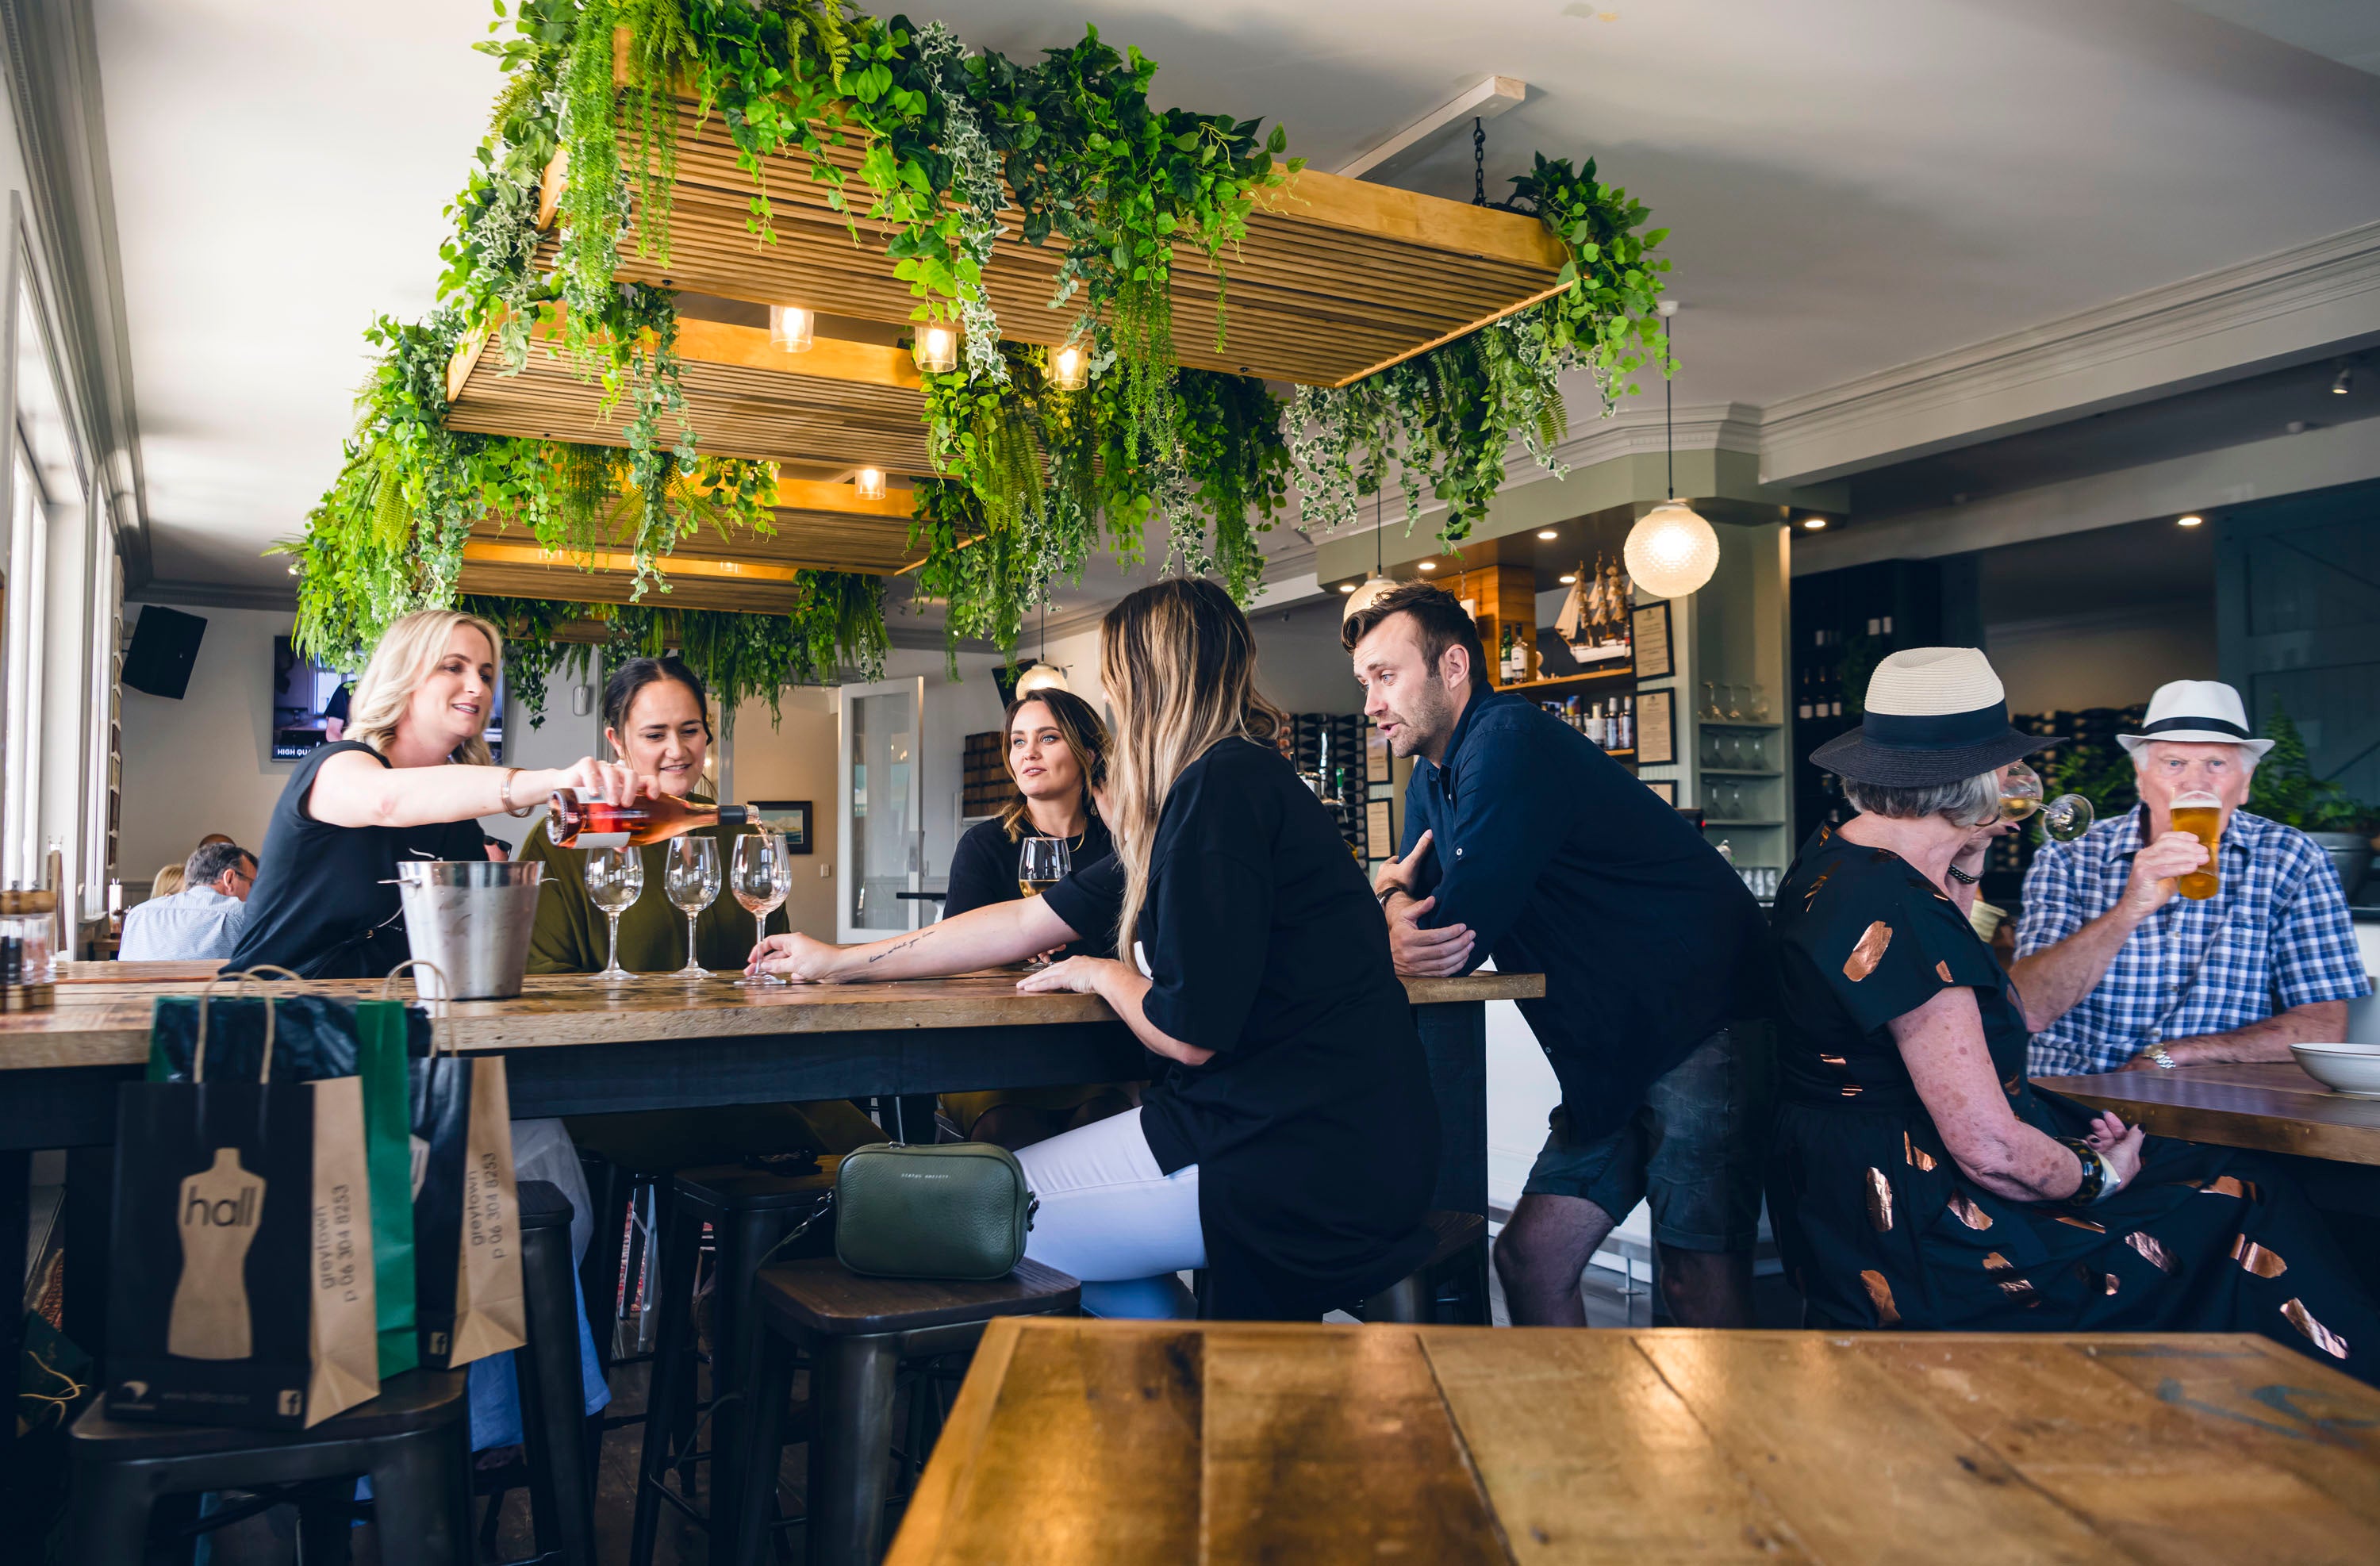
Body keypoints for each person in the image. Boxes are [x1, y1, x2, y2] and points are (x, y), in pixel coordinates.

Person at [754, 579, 1442, 1321]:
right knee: (1024, 1226)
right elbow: (1017, 925)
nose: (1114, 703)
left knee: (970, 1212)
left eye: (1118, 682)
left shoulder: (1219, 794)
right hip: (1326, 1130)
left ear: (1151, 684)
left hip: (1287, 1146)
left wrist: (1103, 971)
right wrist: (837, 960)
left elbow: (1189, 1034)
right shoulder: (1218, 788)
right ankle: (1183, 1393)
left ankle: (1186, 1400)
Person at [1768, 647, 2378, 1381]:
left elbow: (1953, 977)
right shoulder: (1902, 909)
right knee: (2246, 1196)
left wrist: (1966, 851)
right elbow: (1991, 1148)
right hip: (1941, 1238)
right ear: (1984, 781)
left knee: (2221, 1180)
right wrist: (2097, 1176)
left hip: (1848, 1212)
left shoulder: (1834, 866)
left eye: (2215, 764)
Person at [1345, 582, 1769, 1329]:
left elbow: (1452, 932)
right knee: (1531, 1259)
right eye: (1364, 684)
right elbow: (1411, 897)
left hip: (1699, 1022)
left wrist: (1396, 911)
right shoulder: (1435, 776)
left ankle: (1733, 1447)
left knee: (1696, 1279)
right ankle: (1576, 1439)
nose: (1372, 703)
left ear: (1452, 667)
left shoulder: (1507, 738)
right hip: (1610, 1052)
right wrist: (1387, 908)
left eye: (1386, 676)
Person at [516, 655, 881, 1162]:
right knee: (798, 1145)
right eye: (654, 734)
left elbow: (773, 963)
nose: (677, 750)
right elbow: (542, 984)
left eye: (690, 731)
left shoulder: (736, 830)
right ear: (616, 740)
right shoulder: (565, 839)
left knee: (875, 1154)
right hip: (621, 1081)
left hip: (745, 1067)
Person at [231, 607, 647, 977]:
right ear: (403, 675)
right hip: (270, 1024)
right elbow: (388, 800)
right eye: (454, 667)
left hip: (388, 1031)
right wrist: (550, 781)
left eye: (485, 675)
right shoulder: (334, 766)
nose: (479, 688)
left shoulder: (459, 826)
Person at [2016, 679, 2370, 1077]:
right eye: (2174, 764)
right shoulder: (2069, 856)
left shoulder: (2291, 858)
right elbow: (2029, 1009)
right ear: (2141, 778)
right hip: (2072, 1094)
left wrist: (2179, 1054)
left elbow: (2322, 1026)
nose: (2195, 784)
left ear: (2246, 784)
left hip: (2207, 1106)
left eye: (2216, 764)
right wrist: (2129, 909)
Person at [938, 687, 1134, 1150]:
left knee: (1101, 1128)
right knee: (1008, 1129)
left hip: (1096, 1048)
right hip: (997, 1048)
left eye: (1047, 738)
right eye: (1018, 741)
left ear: (1087, 751)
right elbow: (954, 956)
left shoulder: (1121, 844)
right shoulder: (986, 846)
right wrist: (1013, 953)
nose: (1028, 753)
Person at [119, 840, 255, 960]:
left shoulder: (138, 914)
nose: (255, 893)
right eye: (252, 884)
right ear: (229, 879)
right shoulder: (242, 915)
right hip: (212, 990)